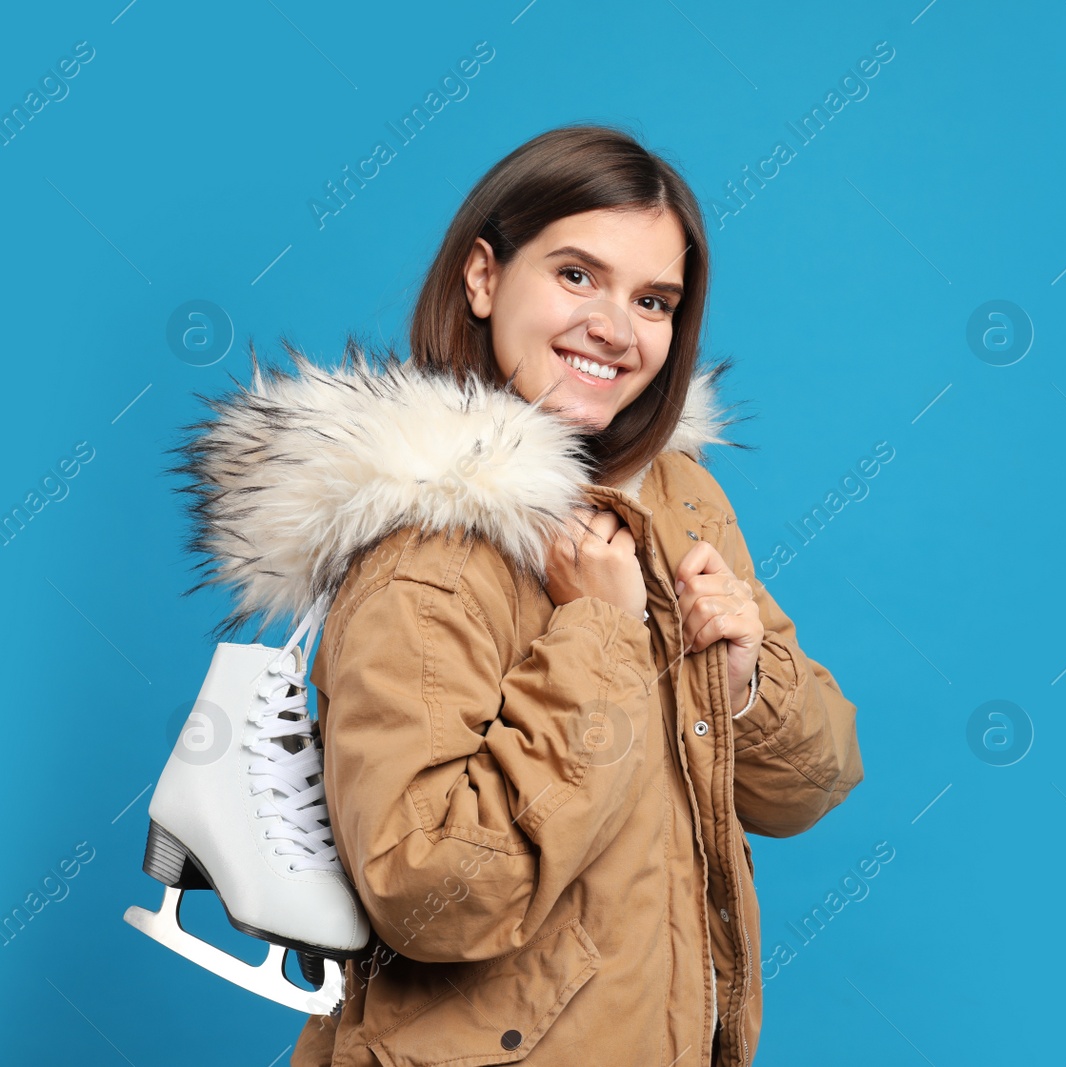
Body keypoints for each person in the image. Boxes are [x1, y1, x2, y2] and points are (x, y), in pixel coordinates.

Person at [173, 124, 864, 1067]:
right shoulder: (433, 548)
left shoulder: (677, 499)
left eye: (654, 299)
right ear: (484, 278)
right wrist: (598, 635)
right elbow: (434, 893)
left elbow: (810, 786)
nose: (617, 329)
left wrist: (743, 678)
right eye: (577, 275)